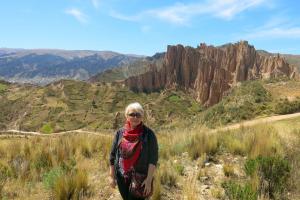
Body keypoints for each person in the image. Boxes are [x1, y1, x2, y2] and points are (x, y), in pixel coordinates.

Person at [109, 102, 158, 200]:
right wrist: (111, 176)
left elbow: (153, 158)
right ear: (127, 116)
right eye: (132, 114)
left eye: (138, 114)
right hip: (121, 176)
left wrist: (148, 180)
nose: (135, 117)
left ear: (142, 117)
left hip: (140, 178)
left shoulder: (149, 134)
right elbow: (113, 155)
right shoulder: (120, 133)